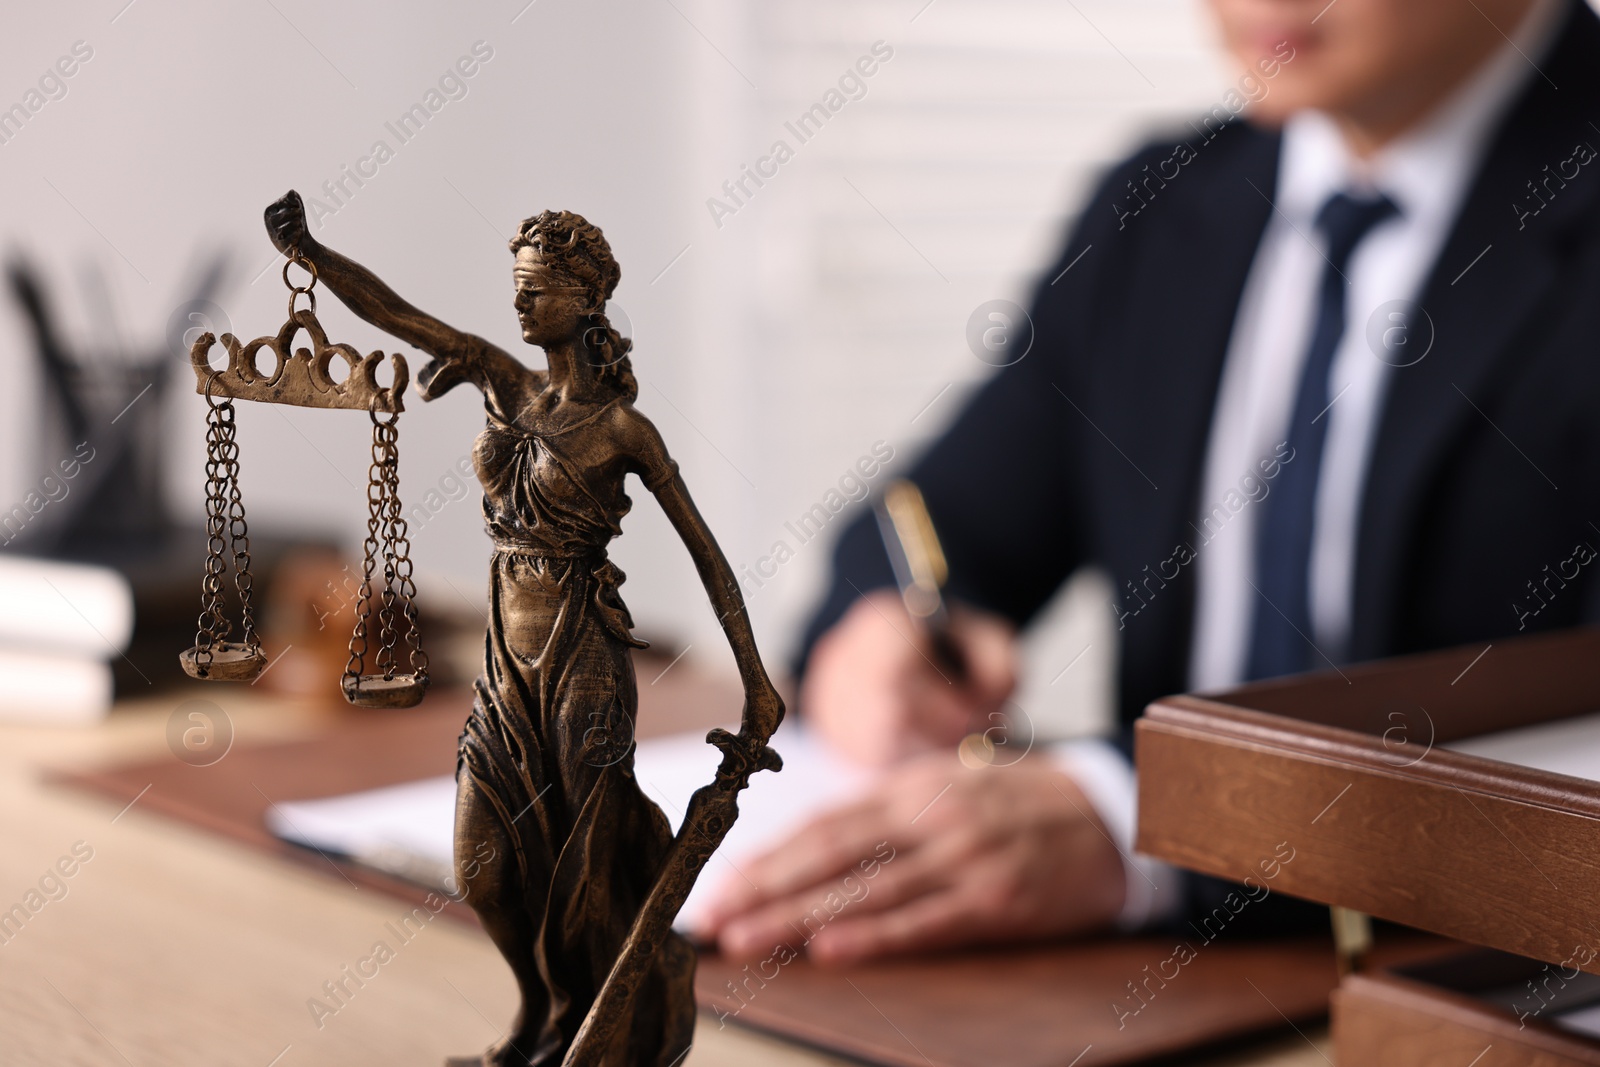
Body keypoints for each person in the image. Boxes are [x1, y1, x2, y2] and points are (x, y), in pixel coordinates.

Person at [699, 0, 1600, 965]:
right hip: (1148, 978)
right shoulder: (1166, 204)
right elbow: (940, 517)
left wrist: (1151, 819)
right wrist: (887, 632)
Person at [263, 195, 784, 1066]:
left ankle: (603, 1030)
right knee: (484, 866)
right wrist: (309, 252)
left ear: (586, 299)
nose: (519, 303)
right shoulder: (505, 380)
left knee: (587, 869)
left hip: (583, 655)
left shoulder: (623, 430)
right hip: (506, 663)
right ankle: (541, 1006)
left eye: (536, 289)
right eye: (516, 287)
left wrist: (756, 683)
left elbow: (708, 555)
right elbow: (397, 314)